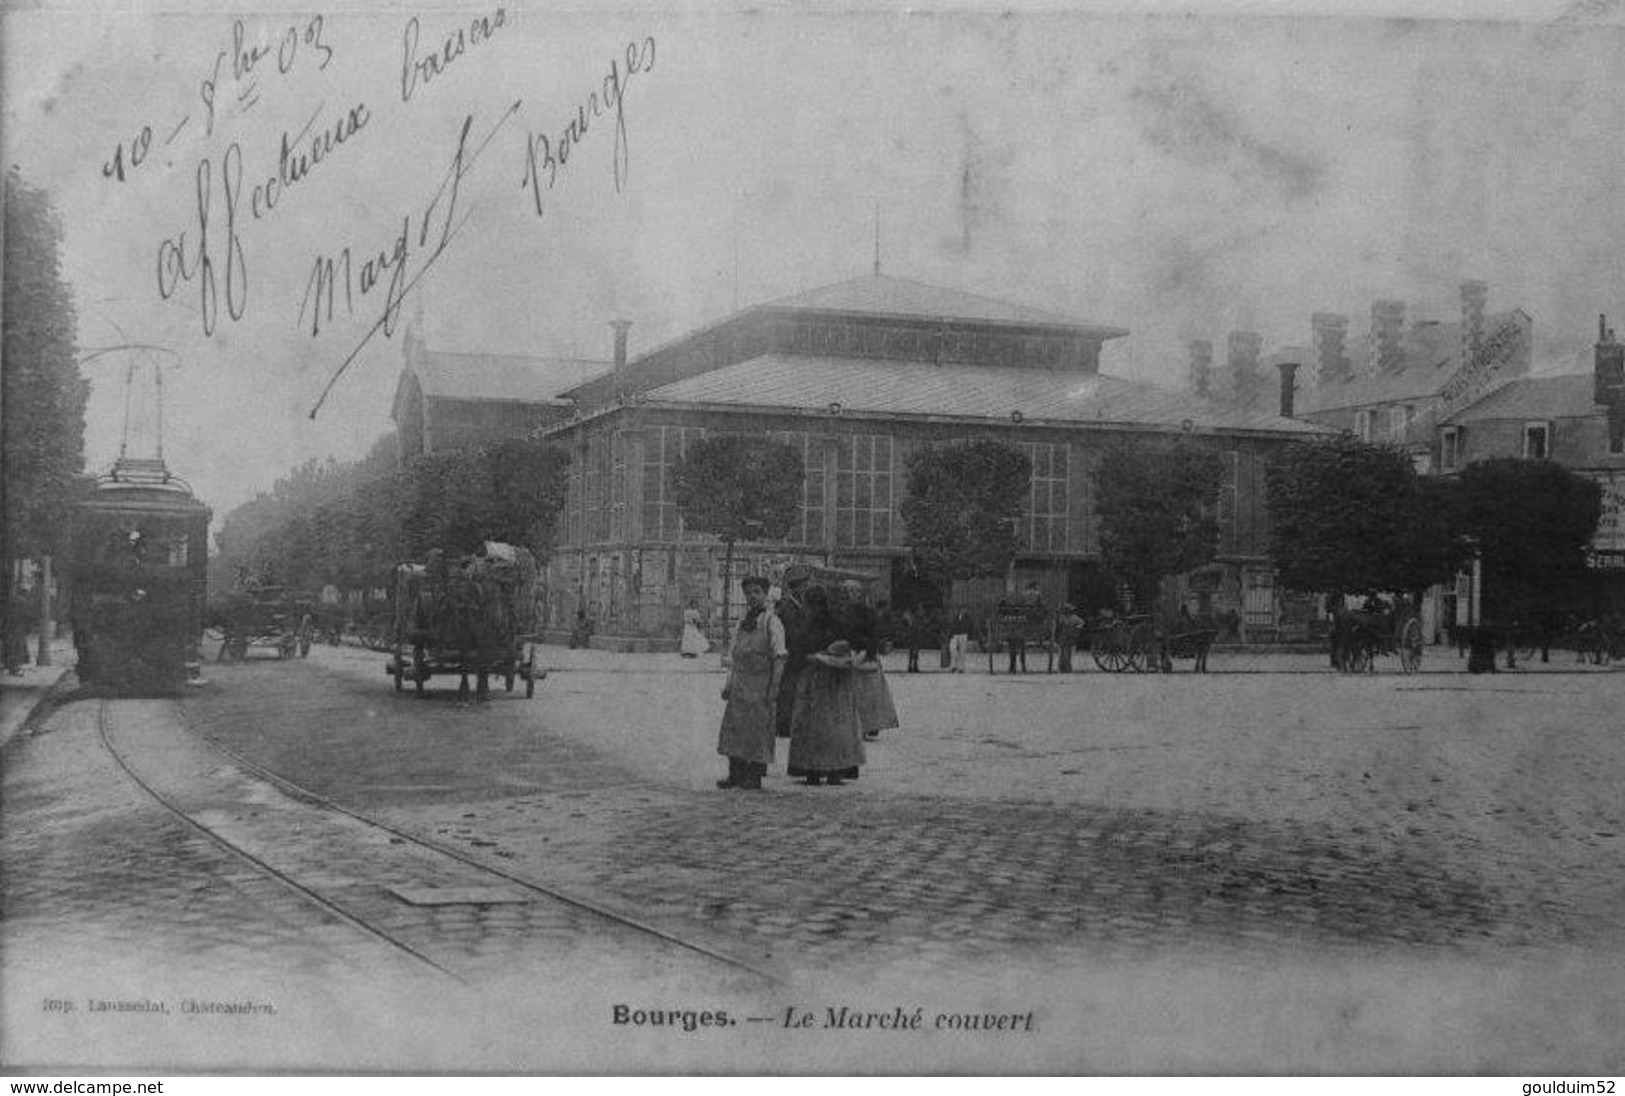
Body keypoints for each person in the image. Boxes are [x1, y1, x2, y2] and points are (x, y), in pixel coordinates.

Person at [786, 586, 867, 786]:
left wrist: (814, 658)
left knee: (815, 727)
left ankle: (815, 770)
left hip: (820, 681)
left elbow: (799, 652)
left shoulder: (810, 626)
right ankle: (835, 770)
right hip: (833, 683)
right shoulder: (838, 624)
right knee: (834, 726)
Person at [716, 575, 786, 790]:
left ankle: (753, 776)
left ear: (766, 595)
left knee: (757, 731)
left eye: (757, 592)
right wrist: (729, 684)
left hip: (761, 684)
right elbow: (734, 657)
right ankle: (735, 773)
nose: (752, 597)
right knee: (734, 729)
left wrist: (774, 688)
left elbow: (780, 657)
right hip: (740, 685)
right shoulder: (741, 623)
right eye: (748, 593)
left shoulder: (772, 622)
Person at [841, 580, 899, 742]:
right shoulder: (851, 612)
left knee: (865, 695)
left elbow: (873, 634)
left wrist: (867, 648)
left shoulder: (862, 613)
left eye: (851, 592)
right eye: (846, 592)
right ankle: (865, 725)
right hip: (860, 653)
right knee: (865, 694)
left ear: (858, 594)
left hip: (861, 653)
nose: (848, 595)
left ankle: (868, 725)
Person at [774, 564, 816, 739]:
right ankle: (784, 726)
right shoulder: (787, 608)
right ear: (797, 587)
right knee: (788, 691)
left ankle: (794, 724)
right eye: (805, 585)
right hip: (792, 657)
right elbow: (793, 633)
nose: (807, 588)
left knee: (799, 691)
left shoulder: (803, 606)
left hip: (801, 657)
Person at [948, 607, 973, 673]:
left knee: (962, 651)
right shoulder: (955, 617)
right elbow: (951, 626)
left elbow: (970, 627)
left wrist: (969, 635)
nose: (963, 611)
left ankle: (961, 667)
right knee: (953, 650)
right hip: (955, 635)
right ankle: (953, 666)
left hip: (963, 634)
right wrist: (950, 634)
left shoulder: (967, 618)